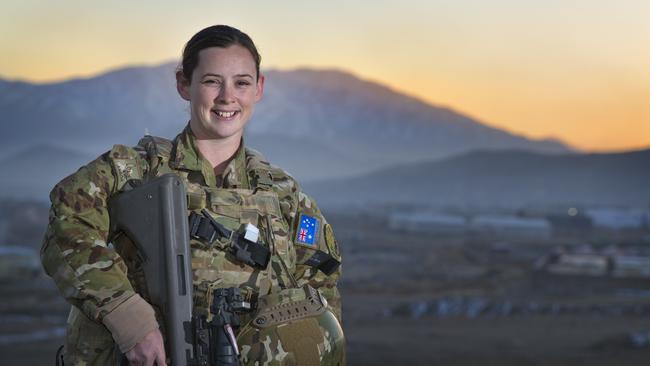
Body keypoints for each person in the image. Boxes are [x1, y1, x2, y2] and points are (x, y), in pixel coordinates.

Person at [41, 25, 344, 365]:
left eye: (241, 82)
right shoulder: (135, 172)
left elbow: (319, 294)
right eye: (212, 81)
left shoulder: (284, 195)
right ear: (184, 84)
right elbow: (68, 221)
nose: (227, 97)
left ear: (258, 88)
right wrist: (127, 316)